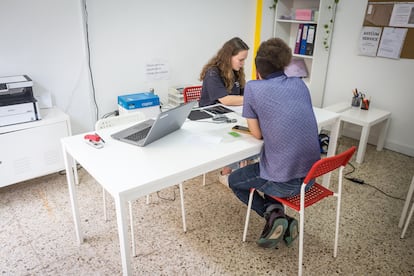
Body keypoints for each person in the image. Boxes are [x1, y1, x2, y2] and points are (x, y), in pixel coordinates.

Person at [228, 37, 321, 249]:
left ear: (258, 69)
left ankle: (274, 216)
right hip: (310, 178)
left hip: (285, 182)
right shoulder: (300, 84)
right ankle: (277, 214)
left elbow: (257, 134)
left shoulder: (253, 88)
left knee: (235, 180)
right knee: (270, 166)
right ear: (285, 63)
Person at [199, 37, 251, 185]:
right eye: (240, 59)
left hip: (228, 114)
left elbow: (242, 94)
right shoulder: (213, 73)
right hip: (209, 118)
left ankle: (243, 168)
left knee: (250, 133)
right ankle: (225, 173)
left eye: (244, 60)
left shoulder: (236, 72)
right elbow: (226, 99)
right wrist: (253, 97)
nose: (242, 64)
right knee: (238, 138)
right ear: (229, 57)